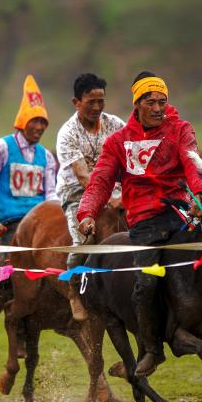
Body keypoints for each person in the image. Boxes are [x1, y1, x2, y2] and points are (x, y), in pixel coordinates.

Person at [77, 71, 202, 377]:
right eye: (151, 101)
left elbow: (192, 163)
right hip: (145, 223)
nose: (158, 107)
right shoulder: (118, 142)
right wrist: (86, 214)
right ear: (137, 104)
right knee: (146, 282)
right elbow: (99, 183)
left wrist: (199, 195)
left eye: (163, 101)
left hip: (182, 215)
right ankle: (152, 349)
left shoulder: (180, 130)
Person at [55, 73, 125, 321]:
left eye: (101, 101)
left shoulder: (116, 124)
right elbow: (84, 177)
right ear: (76, 102)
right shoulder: (67, 133)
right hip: (76, 194)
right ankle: (73, 290)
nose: (97, 107)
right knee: (83, 238)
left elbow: (131, 159)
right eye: (90, 102)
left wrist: (126, 192)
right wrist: (109, 199)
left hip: (115, 191)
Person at [0, 75, 58, 240]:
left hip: (40, 224)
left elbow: (51, 195)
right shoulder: (1, 148)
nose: (40, 127)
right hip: (9, 224)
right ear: (23, 122)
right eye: (35, 121)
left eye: (43, 122)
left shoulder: (46, 156)